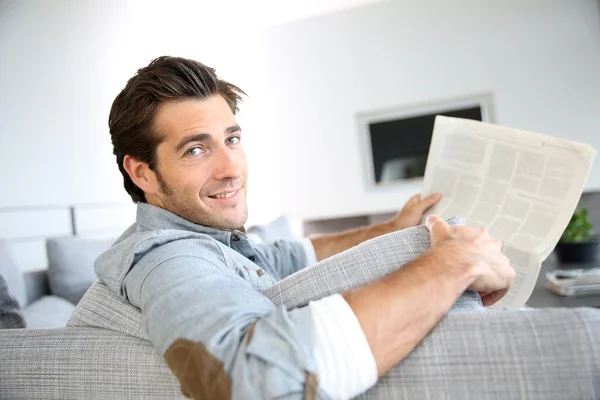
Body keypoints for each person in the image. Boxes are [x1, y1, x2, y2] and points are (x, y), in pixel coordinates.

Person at [96, 56, 515, 399]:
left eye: (232, 139)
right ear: (143, 173)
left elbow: (291, 255)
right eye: (196, 149)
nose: (231, 169)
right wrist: (452, 263)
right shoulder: (167, 257)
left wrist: (390, 227)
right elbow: (246, 381)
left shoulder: (209, 237)